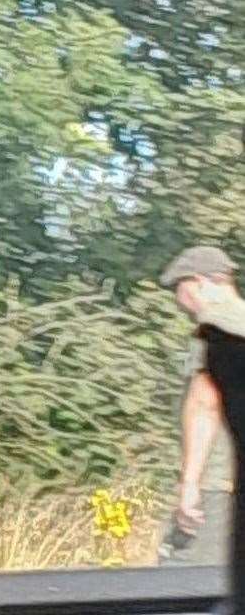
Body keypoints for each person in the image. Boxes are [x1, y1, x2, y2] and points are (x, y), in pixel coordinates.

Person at [160, 245, 245, 614]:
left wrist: (189, 485)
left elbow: (206, 404)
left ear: (196, 283)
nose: (180, 302)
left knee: (179, 583)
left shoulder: (217, 327)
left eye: (179, 291)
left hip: (215, 484)